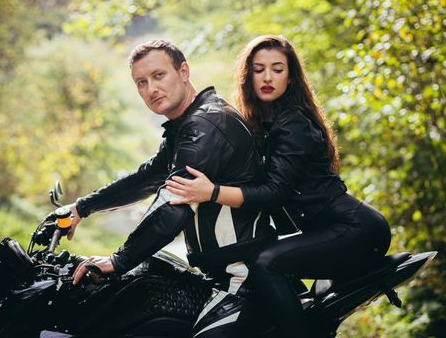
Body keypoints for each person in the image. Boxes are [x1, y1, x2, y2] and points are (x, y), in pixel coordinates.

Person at [165, 35, 392, 337]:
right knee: (269, 260)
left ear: (291, 76)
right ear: (248, 76)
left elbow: (274, 193)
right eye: (259, 69)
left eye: (277, 69)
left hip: (357, 230)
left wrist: (212, 192)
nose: (268, 77)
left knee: (267, 262)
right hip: (327, 230)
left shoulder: (292, 124)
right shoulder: (262, 122)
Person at [65, 39, 276, 337]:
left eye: (158, 76)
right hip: (220, 275)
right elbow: (147, 178)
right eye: (141, 82)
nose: (151, 89)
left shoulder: (206, 126)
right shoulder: (188, 124)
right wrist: (81, 208)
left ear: (184, 71)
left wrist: (118, 260)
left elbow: (172, 208)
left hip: (244, 280)